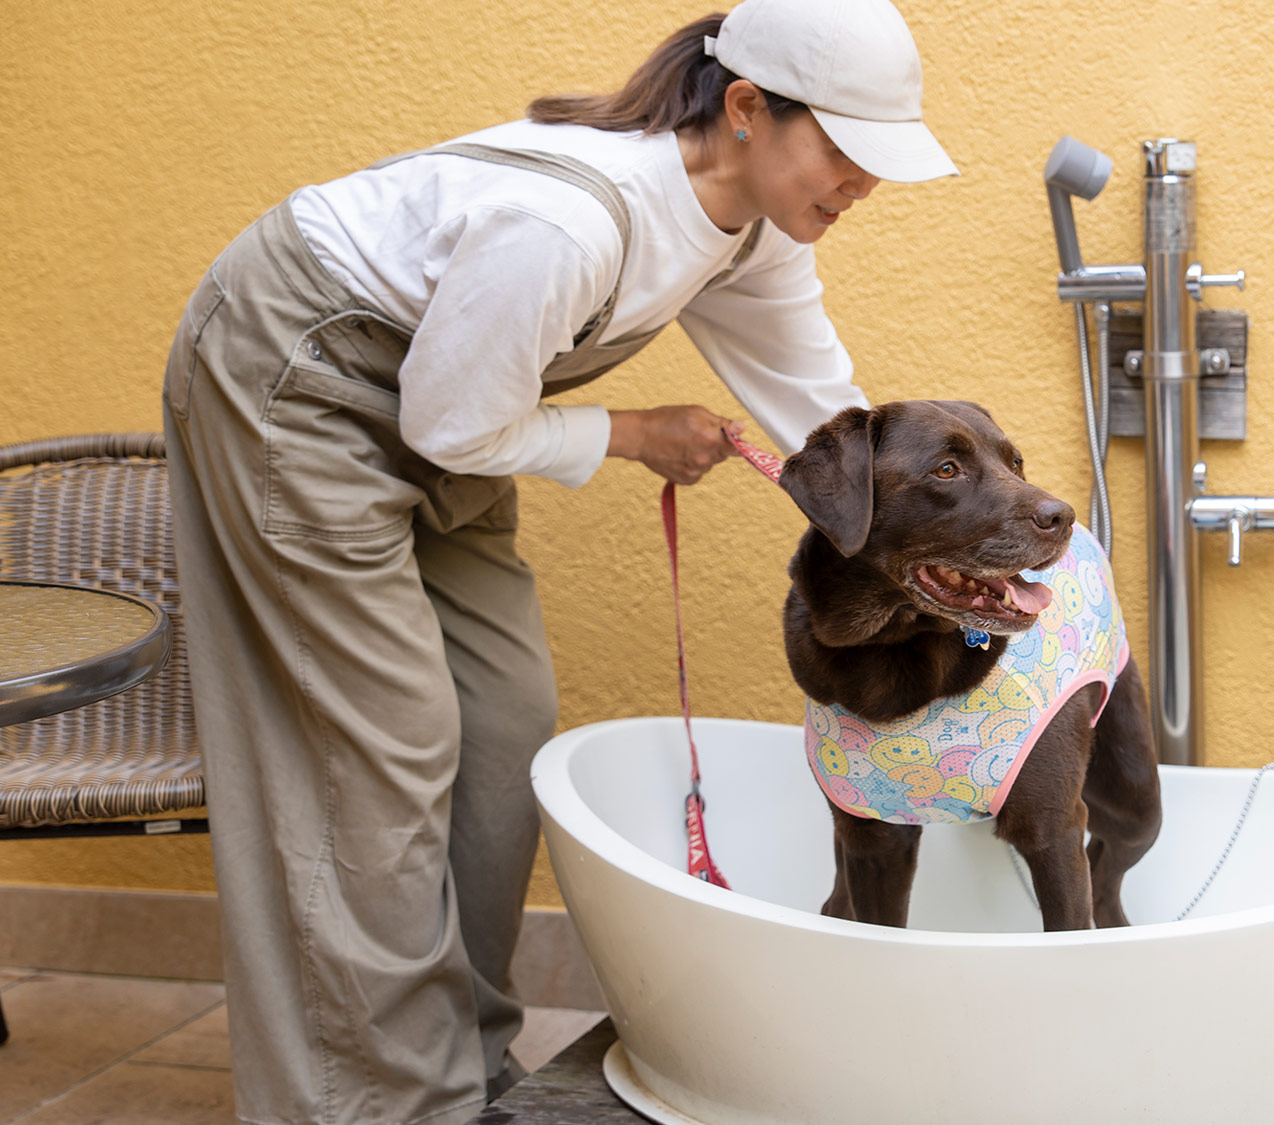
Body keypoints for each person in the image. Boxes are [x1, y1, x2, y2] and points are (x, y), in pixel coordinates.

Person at [159, 1, 955, 1120]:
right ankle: (381, 1103)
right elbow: (452, 426)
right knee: (382, 743)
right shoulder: (570, 225)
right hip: (299, 381)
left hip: (455, 402)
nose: (863, 182)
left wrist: (959, 561)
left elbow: (825, 419)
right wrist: (633, 434)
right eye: (844, 148)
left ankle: (462, 1065)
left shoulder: (759, 230)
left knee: (504, 720)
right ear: (746, 108)